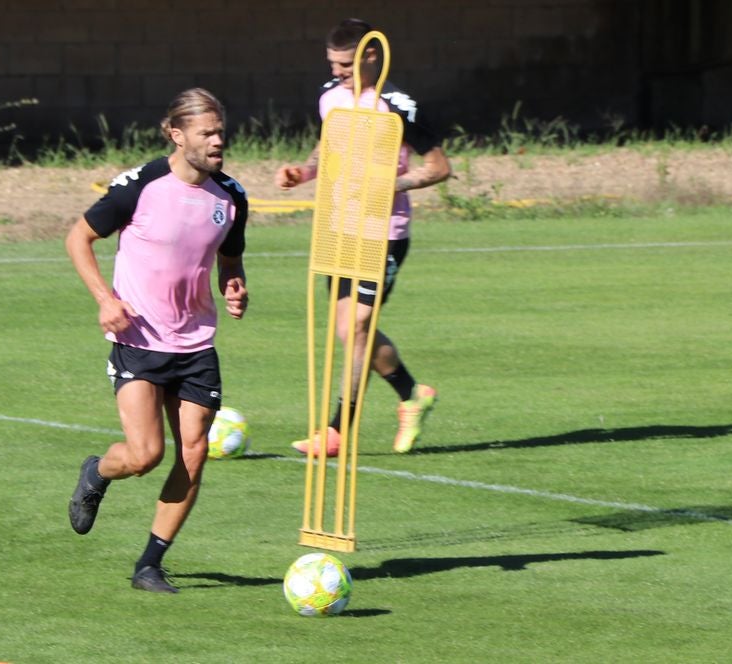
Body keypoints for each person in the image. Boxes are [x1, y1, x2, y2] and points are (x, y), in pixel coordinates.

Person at [65, 88, 249, 594]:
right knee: (144, 455)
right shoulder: (141, 185)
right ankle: (97, 473)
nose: (217, 141)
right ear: (177, 134)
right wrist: (105, 298)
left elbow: (229, 259)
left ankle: (150, 564)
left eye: (220, 132)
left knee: (193, 453)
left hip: (196, 345)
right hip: (139, 338)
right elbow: (77, 238)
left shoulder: (231, 196)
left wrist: (233, 283)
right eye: (206, 133)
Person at [275, 18, 450, 456]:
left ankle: (336, 432)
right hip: (339, 226)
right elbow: (327, 145)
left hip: (383, 232)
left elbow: (439, 167)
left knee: (357, 324)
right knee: (349, 331)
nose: (337, 72)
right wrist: (306, 171)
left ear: (372, 56)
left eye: (346, 65)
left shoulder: (398, 106)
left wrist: (389, 185)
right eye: (333, 64)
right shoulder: (328, 96)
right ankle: (413, 394)